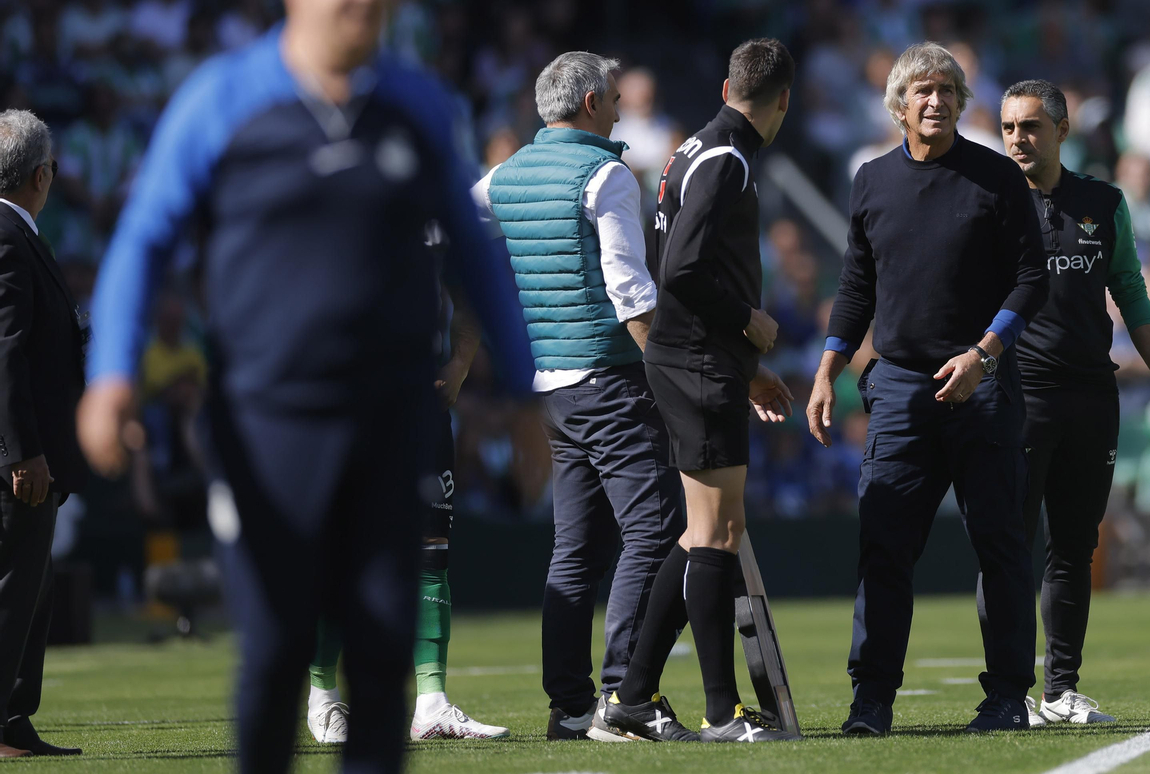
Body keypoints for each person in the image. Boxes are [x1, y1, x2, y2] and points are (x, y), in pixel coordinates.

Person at [75, 0, 546, 774]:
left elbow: (478, 260)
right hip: (264, 427)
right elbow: (142, 242)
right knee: (280, 654)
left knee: (378, 660)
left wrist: (523, 394)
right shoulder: (223, 100)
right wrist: (110, 374)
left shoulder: (418, 103)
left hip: (392, 425)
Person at [808, 42, 1048, 735]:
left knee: (1000, 545)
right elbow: (856, 285)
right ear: (898, 104)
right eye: (923, 90)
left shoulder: (997, 177)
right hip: (901, 389)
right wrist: (829, 369)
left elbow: (1033, 279)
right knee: (883, 549)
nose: (936, 100)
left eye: (947, 90)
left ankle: (1007, 696)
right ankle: (871, 700)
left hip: (985, 383)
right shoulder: (870, 181)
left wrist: (984, 352)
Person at [471, 52, 686, 742]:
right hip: (612, 380)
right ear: (591, 101)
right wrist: (678, 376)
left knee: (577, 550)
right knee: (655, 530)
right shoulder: (606, 172)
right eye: (615, 95)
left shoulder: (507, 175)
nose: (623, 105)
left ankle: (569, 707)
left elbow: (439, 233)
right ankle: (625, 694)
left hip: (552, 390)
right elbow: (630, 290)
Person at [603, 39, 798, 743]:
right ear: (784, 100)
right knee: (715, 533)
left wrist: (744, 364)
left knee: (704, 532)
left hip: (695, 359)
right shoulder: (728, 159)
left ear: (725, 87)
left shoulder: (695, 147)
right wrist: (745, 322)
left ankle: (631, 696)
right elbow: (681, 268)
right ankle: (721, 711)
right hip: (695, 363)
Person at [994, 80, 1150, 728]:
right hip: (1016, 397)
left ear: (1062, 130)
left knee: (1073, 548)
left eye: (1031, 126)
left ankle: (1059, 691)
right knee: (1008, 547)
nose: (1018, 138)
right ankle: (1006, 693)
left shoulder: (1103, 203)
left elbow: (1130, 289)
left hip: (1090, 397)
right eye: (1010, 127)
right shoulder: (991, 199)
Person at [305, 246, 508, 743]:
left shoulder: (430, 189)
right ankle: (322, 697)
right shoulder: (328, 188)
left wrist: (460, 361)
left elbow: (469, 286)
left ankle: (432, 704)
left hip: (421, 401)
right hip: (344, 399)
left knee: (430, 551)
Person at [0, 110, 85, 758]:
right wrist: (21, 452)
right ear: (40, 174)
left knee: (32, 587)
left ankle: (13, 720)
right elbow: (7, 352)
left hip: (36, 452)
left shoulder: (19, 232)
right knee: (13, 586)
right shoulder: (7, 237)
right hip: (20, 459)